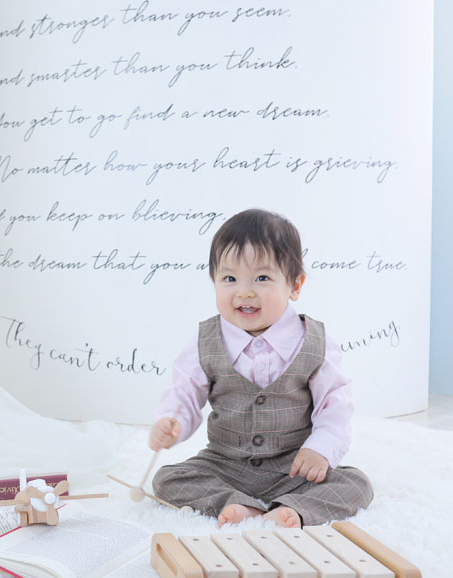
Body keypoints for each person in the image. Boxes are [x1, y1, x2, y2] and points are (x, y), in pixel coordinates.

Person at [150, 209, 373, 527]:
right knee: (167, 478)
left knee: (356, 484)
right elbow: (184, 393)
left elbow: (334, 405)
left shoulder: (314, 342)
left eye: (262, 278)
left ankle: (292, 508)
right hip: (225, 464)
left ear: (295, 285)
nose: (244, 292)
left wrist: (320, 450)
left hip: (293, 466)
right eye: (230, 279)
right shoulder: (206, 341)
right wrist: (172, 423)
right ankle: (236, 502)